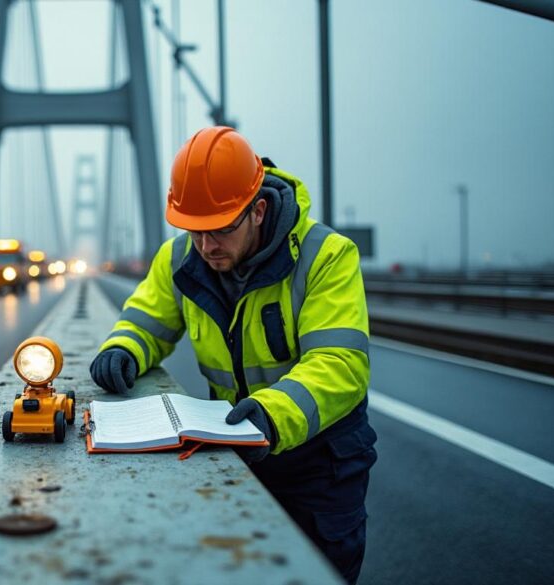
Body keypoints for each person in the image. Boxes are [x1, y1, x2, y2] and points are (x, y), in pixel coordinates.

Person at [90, 126, 377, 584]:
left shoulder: (326, 256)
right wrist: (123, 347)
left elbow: (340, 363)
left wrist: (272, 414)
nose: (207, 247)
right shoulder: (180, 257)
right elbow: (147, 322)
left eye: (221, 229)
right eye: (195, 230)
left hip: (318, 462)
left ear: (258, 211)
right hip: (235, 447)